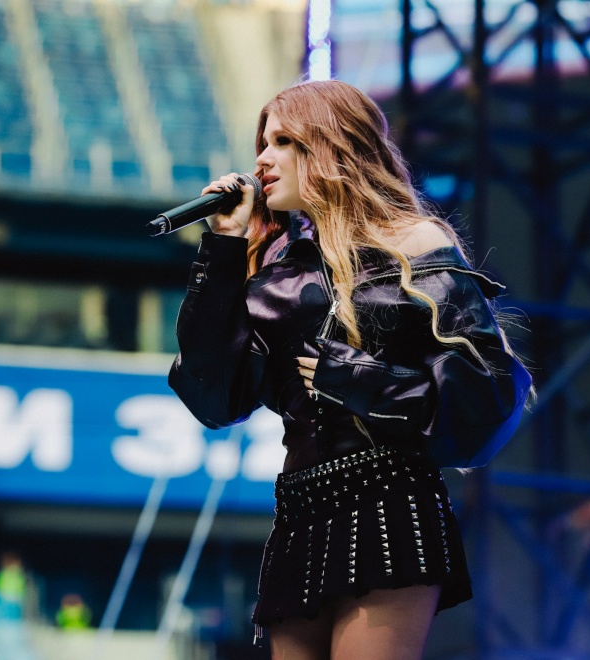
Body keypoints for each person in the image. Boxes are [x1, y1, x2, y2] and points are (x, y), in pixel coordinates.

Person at [169, 80, 532, 660]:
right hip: (300, 508)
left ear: (331, 146)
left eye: (283, 142)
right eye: (262, 143)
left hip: (388, 499)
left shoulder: (413, 244)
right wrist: (225, 246)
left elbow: (485, 396)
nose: (261, 160)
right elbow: (212, 393)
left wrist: (355, 378)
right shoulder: (277, 274)